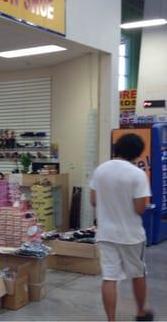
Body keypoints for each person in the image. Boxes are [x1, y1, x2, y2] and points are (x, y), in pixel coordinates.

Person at [90, 133, 153, 322]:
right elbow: (140, 209)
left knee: (109, 278)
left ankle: (111, 319)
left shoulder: (100, 170)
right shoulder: (137, 174)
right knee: (138, 273)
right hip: (131, 235)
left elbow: (93, 201)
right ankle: (141, 313)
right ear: (137, 154)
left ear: (116, 148)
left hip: (106, 234)